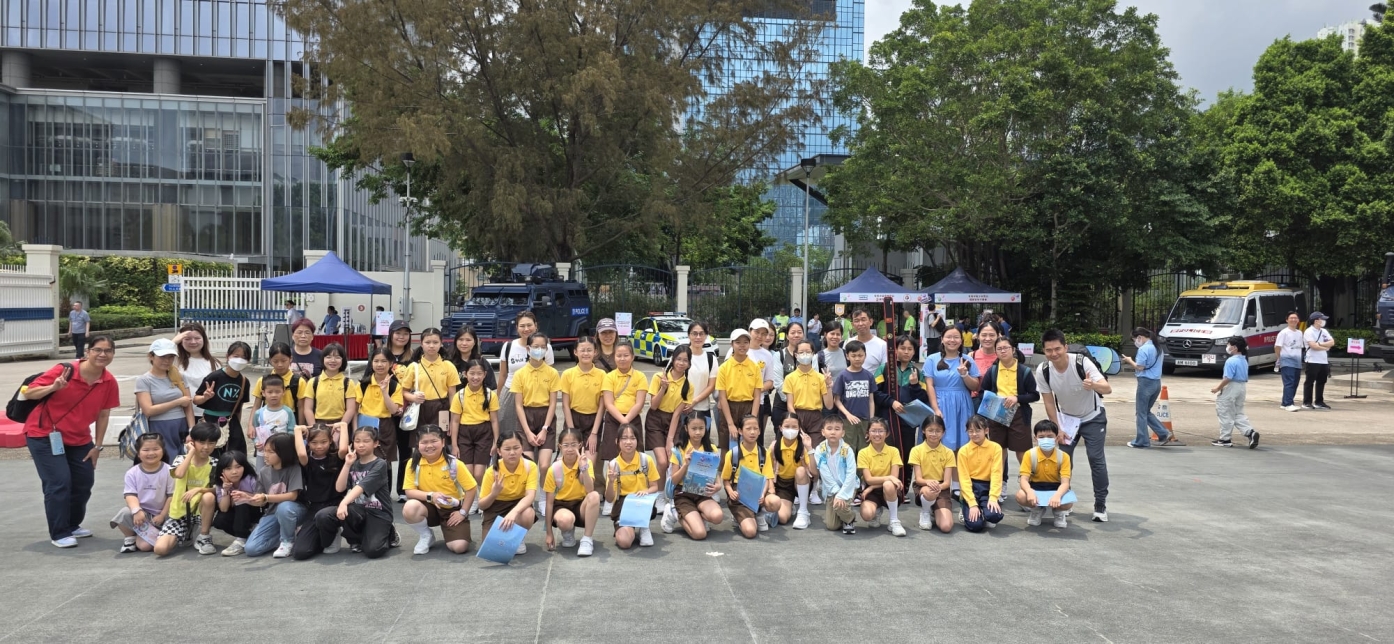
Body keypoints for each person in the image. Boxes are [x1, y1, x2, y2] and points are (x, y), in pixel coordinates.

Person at [23, 334, 121, 548]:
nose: (102, 354)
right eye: (97, 350)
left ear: (113, 354)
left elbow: (103, 414)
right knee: (59, 482)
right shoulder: (65, 370)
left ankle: (72, 524)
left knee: (84, 482)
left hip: (79, 437)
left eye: (108, 351)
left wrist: (97, 446)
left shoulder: (109, 382)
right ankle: (59, 532)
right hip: (44, 434)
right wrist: (53, 387)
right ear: (87, 352)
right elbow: (29, 393)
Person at [1035, 329, 1112, 523]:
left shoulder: (1081, 362)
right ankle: (1065, 501)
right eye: (1049, 350)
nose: (1054, 353)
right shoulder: (1043, 370)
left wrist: (1093, 385)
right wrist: (1057, 428)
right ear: (1044, 351)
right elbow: (1049, 401)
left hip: (1093, 417)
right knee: (1062, 461)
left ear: (1065, 347)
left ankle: (1100, 505)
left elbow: (1107, 388)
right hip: (1067, 421)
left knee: (1095, 458)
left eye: (1058, 349)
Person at [308, 426, 396, 559]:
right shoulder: (354, 464)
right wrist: (347, 464)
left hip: (378, 513)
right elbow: (339, 488)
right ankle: (356, 540)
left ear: (376, 443)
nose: (361, 445)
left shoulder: (380, 464)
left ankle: (390, 533)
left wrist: (343, 503)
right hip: (359, 509)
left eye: (366, 441)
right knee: (324, 515)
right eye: (357, 441)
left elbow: (361, 487)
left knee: (373, 551)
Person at [401, 424, 477, 555]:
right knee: (410, 507)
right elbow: (409, 491)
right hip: (429, 507)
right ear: (418, 445)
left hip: (451, 510)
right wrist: (431, 496)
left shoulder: (454, 463)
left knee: (459, 547)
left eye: (433, 441)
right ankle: (426, 535)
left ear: (442, 442)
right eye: (424, 442)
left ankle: (453, 531)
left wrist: (463, 512)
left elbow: (471, 488)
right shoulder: (413, 463)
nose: (429, 446)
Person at [978, 336, 1038, 497]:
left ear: (1013, 349)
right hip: (997, 414)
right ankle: (998, 487)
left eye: (1006, 348)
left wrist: (1017, 398)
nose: (1002, 351)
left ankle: (1029, 486)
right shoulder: (993, 370)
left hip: (1019, 414)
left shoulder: (1024, 371)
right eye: (999, 349)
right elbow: (982, 392)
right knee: (998, 451)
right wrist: (994, 400)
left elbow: (1034, 395)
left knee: (1022, 451)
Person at [511, 332, 561, 516]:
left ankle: (544, 498)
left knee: (544, 465)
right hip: (526, 418)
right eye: (535, 347)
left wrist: (545, 429)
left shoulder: (552, 373)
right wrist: (527, 432)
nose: (539, 350)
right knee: (528, 465)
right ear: (528, 349)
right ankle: (529, 498)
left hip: (546, 418)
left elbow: (553, 403)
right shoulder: (520, 374)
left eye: (543, 347)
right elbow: (518, 405)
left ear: (547, 349)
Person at [154, 423, 221, 556]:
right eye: (201, 442)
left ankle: (204, 536)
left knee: (208, 496)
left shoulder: (215, 463)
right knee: (160, 549)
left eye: (211, 443)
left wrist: (199, 490)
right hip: (179, 514)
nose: (206, 447)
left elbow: (218, 490)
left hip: (200, 513)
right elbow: (179, 474)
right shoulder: (181, 459)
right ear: (192, 442)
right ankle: (186, 533)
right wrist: (190, 452)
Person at [289, 422, 351, 559]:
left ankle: (333, 531)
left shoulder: (336, 457)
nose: (319, 446)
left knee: (325, 523)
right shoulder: (307, 460)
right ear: (308, 442)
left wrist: (343, 426)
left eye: (324, 442)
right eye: (314, 442)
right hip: (315, 507)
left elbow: (343, 449)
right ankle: (321, 537)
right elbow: (301, 453)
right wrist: (298, 430)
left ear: (330, 440)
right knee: (300, 552)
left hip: (335, 505)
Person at [597, 343, 647, 507]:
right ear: (614, 357)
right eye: (619, 355)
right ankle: (611, 497)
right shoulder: (609, 377)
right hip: (613, 420)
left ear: (632, 357)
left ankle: (636, 492)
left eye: (626, 355)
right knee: (612, 459)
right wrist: (623, 421)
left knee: (635, 457)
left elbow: (639, 402)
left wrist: (627, 421)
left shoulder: (640, 376)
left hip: (633, 419)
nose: (622, 358)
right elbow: (608, 403)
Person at [450, 359, 501, 513]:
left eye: (479, 374)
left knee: (479, 473)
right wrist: (454, 445)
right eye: (472, 373)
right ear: (465, 374)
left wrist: (496, 442)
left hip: (484, 433)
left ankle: (482, 498)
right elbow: (455, 421)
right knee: (467, 471)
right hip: (465, 434)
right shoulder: (459, 395)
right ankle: (471, 500)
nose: (475, 377)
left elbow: (494, 420)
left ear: (485, 375)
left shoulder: (490, 395)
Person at [661, 414, 724, 540]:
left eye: (701, 428)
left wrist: (718, 486)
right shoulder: (678, 449)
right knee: (700, 534)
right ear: (686, 428)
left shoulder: (711, 449)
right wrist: (685, 465)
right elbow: (673, 480)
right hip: (683, 493)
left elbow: (715, 474)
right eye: (694, 428)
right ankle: (674, 513)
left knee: (718, 517)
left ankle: (698, 516)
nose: (698, 432)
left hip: (702, 492)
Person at [242, 433, 305, 558]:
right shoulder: (264, 471)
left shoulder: (294, 468)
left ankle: (287, 541)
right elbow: (260, 501)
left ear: (284, 453)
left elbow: (292, 496)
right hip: (272, 513)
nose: (266, 455)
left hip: (294, 511)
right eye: (265, 450)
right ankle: (288, 536)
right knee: (251, 549)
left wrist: (266, 497)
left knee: (284, 507)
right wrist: (247, 498)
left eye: (271, 452)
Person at [646, 346, 693, 510]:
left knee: (672, 459)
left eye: (685, 360)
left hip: (673, 422)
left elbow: (677, 414)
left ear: (689, 363)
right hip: (655, 420)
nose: (681, 363)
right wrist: (663, 388)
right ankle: (659, 495)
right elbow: (653, 405)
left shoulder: (688, 386)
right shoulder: (659, 377)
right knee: (662, 461)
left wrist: (670, 439)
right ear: (672, 359)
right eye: (678, 359)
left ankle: (669, 491)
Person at [876, 335, 932, 473]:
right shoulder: (885, 368)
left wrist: (914, 385)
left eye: (910, 349)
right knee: (885, 451)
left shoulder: (917, 372)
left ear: (914, 351)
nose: (906, 352)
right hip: (887, 418)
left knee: (906, 452)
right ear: (895, 349)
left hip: (908, 421)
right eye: (902, 348)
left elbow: (923, 398)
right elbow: (875, 393)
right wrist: (891, 402)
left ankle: (904, 484)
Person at [401, 327, 461, 453]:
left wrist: (453, 418)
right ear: (421, 344)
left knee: (440, 444)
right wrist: (413, 397)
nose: (431, 346)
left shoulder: (448, 366)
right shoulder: (414, 367)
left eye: (435, 342)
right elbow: (404, 391)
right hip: (420, 409)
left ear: (441, 344)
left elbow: (452, 395)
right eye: (427, 342)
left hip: (442, 408)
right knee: (421, 445)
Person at [110, 434, 173, 553]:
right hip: (141, 515)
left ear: (163, 451)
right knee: (124, 513)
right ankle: (130, 538)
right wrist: (136, 511)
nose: (151, 453)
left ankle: (155, 534)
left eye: (155, 449)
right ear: (138, 453)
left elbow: (171, 496)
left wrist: (162, 515)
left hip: (163, 515)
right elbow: (130, 495)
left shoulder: (169, 471)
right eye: (146, 450)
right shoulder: (132, 473)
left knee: (145, 546)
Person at [135, 338, 195, 464]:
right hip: (159, 426)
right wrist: (177, 402)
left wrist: (192, 430)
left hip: (181, 425)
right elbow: (148, 410)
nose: (167, 361)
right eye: (162, 357)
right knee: (165, 461)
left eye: (170, 357)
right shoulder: (144, 380)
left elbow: (188, 405)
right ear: (151, 356)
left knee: (184, 461)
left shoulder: (179, 376)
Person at [477, 429, 538, 552]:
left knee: (528, 513)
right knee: (490, 548)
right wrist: (494, 493)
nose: (512, 452)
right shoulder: (491, 472)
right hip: (496, 506)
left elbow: (530, 496)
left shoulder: (530, 466)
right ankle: (506, 537)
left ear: (522, 448)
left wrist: (513, 513)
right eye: (507, 449)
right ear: (499, 451)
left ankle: (518, 538)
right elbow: (482, 505)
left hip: (518, 505)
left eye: (516, 448)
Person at [543, 427, 601, 555]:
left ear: (580, 445)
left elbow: (590, 489)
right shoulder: (554, 469)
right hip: (561, 505)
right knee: (565, 520)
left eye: (573, 445)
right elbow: (549, 503)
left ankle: (587, 539)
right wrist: (549, 533)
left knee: (594, 496)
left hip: (580, 504)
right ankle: (567, 532)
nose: (570, 449)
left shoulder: (586, 463)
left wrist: (583, 468)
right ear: (560, 446)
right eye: (566, 445)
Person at [922, 327, 980, 451]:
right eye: (948, 337)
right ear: (942, 339)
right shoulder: (932, 359)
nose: (952, 340)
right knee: (939, 441)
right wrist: (935, 409)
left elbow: (975, 386)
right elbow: (929, 385)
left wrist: (964, 374)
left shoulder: (967, 360)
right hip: (940, 403)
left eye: (956, 337)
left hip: (962, 405)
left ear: (961, 340)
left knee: (963, 443)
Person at [357, 347, 404, 497]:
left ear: (390, 363)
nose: (380, 364)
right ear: (371, 363)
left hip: (385, 427)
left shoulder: (395, 386)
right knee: (365, 460)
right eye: (376, 361)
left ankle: (384, 496)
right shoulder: (363, 384)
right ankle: (365, 495)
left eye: (384, 361)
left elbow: (393, 410)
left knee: (385, 462)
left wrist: (384, 390)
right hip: (365, 426)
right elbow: (355, 408)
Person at [603, 423, 660, 549]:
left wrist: (646, 491)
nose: (628, 442)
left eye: (632, 438)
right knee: (624, 542)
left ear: (637, 441)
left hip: (641, 501)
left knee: (645, 540)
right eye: (624, 438)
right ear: (617, 441)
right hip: (623, 504)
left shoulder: (646, 460)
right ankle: (631, 526)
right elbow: (609, 498)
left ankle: (644, 525)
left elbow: (655, 487)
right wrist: (611, 481)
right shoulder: (613, 464)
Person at [193, 341, 252, 456]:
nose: (239, 360)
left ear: (248, 360)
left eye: (244, 357)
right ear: (227, 356)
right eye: (236, 356)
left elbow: (239, 407)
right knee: (211, 453)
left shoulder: (244, 381)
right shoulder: (215, 377)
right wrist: (205, 397)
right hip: (210, 420)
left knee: (235, 454)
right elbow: (195, 399)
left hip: (231, 421)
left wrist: (236, 426)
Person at [722, 415, 775, 539]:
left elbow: (767, 477)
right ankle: (740, 517)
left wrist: (763, 494)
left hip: (758, 491)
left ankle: (759, 513)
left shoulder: (764, 453)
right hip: (740, 495)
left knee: (775, 502)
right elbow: (726, 480)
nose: (752, 432)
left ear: (760, 431)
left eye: (755, 428)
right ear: (740, 431)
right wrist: (730, 492)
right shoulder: (732, 454)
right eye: (748, 428)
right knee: (750, 532)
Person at [499, 311, 553, 431]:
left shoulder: (547, 348)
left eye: (529, 325)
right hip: (511, 393)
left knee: (532, 433)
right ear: (517, 328)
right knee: (508, 431)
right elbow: (503, 375)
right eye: (522, 326)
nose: (526, 329)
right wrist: (498, 398)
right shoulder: (508, 346)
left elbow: (549, 375)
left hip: (536, 395)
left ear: (536, 326)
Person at [1016, 420, 1074, 529]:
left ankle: (1058, 512)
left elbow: (1065, 483)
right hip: (1036, 487)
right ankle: (1037, 509)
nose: (1045, 439)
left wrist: (1058, 495)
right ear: (1035, 438)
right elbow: (1023, 479)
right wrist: (1029, 491)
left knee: (1068, 501)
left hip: (1056, 487)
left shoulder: (1064, 456)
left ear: (1056, 438)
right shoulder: (1029, 454)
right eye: (1041, 437)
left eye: (1050, 436)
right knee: (1021, 496)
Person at [716, 329, 767, 453]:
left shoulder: (754, 367)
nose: (742, 345)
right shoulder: (724, 367)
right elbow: (722, 397)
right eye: (738, 342)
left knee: (748, 447)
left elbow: (757, 396)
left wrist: (753, 419)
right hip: (729, 408)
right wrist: (730, 424)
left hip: (749, 408)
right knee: (726, 450)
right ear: (731, 344)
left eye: (745, 342)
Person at [1122, 327, 1174, 448]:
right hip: (1156, 383)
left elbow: (1140, 367)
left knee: (1141, 413)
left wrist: (1129, 360)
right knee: (1146, 412)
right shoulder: (1157, 348)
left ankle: (1142, 441)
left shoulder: (1144, 349)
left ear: (1140, 337)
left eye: (1135, 339)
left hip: (1145, 383)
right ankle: (1164, 433)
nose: (1135, 342)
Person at [856, 418, 906, 536]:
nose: (877, 434)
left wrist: (872, 487)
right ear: (868, 433)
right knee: (867, 515)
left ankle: (894, 521)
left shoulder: (893, 451)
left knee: (888, 484)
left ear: (887, 433)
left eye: (881, 431)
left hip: (890, 489)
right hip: (872, 491)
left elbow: (894, 478)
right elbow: (868, 479)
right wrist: (872, 487)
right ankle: (877, 511)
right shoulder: (863, 453)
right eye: (873, 431)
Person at [908, 414, 955, 533]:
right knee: (930, 492)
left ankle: (934, 508)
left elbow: (947, 483)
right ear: (923, 430)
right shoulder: (916, 450)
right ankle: (925, 511)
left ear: (943, 432)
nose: (934, 434)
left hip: (941, 487)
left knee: (946, 526)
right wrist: (929, 483)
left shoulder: (948, 452)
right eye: (930, 430)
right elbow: (918, 479)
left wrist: (937, 487)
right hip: (923, 486)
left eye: (938, 431)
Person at [1211, 337, 1261, 449]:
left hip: (1231, 387)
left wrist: (1217, 388)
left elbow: (1228, 378)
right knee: (1238, 413)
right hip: (1242, 387)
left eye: (1228, 344)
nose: (1227, 347)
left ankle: (1225, 439)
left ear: (1234, 347)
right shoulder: (1244, 360)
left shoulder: (1231, 361)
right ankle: (1250, 432)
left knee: (1225, 412)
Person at [956, 415, 1003, 533]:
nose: (974, 434)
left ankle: (985, 512)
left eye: (978, 430)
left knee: (994, 516)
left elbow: (996, 474)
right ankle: (966, 507)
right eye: (970, 431)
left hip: (987, 486)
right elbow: (964, 478)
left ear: (986, 430)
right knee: (975, 526)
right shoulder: (963, 451)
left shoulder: (995, 448)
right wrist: (972, 504)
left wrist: (993, 497)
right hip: (971, 487)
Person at [208, 450, 259, 556]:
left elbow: (262, 501)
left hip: (255, 512)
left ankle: (241, 539)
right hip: (237, 515)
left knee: (239, 498)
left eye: (238, 467)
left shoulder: (251, 479)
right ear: (222, 470)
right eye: (228, 468)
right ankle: (249, 536)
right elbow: (224, 508)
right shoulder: (221, 484)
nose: (234, 472)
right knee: (220, 520)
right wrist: (226, 491)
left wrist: (245, 496)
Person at [812, 416, 858, 534]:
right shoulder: (820, 449)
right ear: (823, 432)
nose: (833, 432)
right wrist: (836, 492)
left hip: (848, 486)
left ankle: (848, 520)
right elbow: (825, 474)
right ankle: (847, 515)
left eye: (837, 429)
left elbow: (851, 474)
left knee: (838, 505)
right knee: (832, 526)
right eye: (829, 429)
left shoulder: (847, 450)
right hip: (831, 488)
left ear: (843, 433)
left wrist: (841, 494)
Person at [298, 343, 360, 429]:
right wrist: (314, 428)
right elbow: (308, 409)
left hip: (341, 423)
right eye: (328, 357)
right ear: (322, 359)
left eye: (337, 357)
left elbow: (350, 409)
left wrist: (340, 427)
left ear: (343, 360)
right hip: (318, 424)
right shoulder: (313, 382)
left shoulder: (348, 383)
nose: (333, 360)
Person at [832, 340, 877, 456]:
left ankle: (862, 469)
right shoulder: (843, 376)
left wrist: (871, 421)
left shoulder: (868, 375)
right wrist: (848, 414)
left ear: (865, 356)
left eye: (860, 355)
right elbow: (837, 400)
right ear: (847, 356)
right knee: (848, 450)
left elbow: (871, 400)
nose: (857, 358)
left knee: (864, 450)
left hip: (865, 420)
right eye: (854, 355)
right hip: (847, 420)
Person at [784, 340, 832, 446]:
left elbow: (829, 405)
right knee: (797, 449)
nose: (805, 355)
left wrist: (828, 385)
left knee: (815, 448)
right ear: (796, 355)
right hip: (797, 414)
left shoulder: (821, 377)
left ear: (813, 354)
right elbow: (789, 405)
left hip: (816, 417)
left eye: (808, 352)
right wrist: (795, 421)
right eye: (801, 352)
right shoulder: (790, 378)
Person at [769, 415, 814, 529]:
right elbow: (767, 471)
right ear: (780, 428)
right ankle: (788, 506)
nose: (790, 430)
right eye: (787, 426)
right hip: (782, 485)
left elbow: (814, 472)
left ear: (799, 429)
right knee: (782, 518)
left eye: (794, 427)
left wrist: (809, 448)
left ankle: (803, 512)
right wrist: (771, 488)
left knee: (801, 471)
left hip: (798, 482)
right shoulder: (774, 447)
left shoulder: (803, 447)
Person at [250, 343, 304, 431]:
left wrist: (300, 427)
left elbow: (301, 407)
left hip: (289, 422)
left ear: (290, 359)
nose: (280, 364)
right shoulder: (262, 381)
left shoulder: (298, 381)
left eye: (283, 361)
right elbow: (256, 406)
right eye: (275, 361)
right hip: (267, 421)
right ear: (270, 360)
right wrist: (251, 426)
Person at [746, 319, 780, 440]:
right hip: (737, 401)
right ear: (750, 331)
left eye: (763, 334)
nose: (760, 336)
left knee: (755, 439)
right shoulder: (736, 350)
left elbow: (770, 381)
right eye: (757, 332)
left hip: (758, 402)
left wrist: (757, 390)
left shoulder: (767, 355)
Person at [175, 323, 218, 417]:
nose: (193, 342)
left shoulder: (214, 363)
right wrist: (173, 342)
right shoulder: (173, 361)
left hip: (205, 414)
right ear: (180, 340)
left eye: (197, 338)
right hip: (179, 414)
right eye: (187, 339)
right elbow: (156, 355)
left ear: (204, 339)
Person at [248, 375, 295, 456]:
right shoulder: (259, 413)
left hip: (282, 451)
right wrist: (256, 442)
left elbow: (292, 431)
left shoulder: (288, 412)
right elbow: (255, 432)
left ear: (283, 391)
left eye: (277, 392)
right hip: (263, 452)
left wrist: (287, 443)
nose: (274, 395)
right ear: (263, 393)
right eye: (270, 392)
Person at [685, 322, 720, 421]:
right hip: (682, 408)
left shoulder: (711, 359)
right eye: (694, 333)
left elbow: (711, 386)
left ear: (706, 336)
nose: (698, 337)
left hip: (703, 409)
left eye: (701, 334)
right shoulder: (680, 355)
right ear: (689, 335)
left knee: (704, 431)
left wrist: (694, 401)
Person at [448, 325, 498, 391]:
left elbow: (490, 387)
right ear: (456, 341)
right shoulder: (448, 362)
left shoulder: (481, 362)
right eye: (461, 339)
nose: (464, 343)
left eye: (468, 340)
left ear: (474, 342)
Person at [1274, 311, 1305, 412]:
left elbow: (1300, 347)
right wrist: (1280, 358)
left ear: (1298, 320)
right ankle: (1289, 403)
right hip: (1287, 360)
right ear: (1287, 320)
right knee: (1289, 382)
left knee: (1295, 382)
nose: (1293, 320)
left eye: (1295, 318)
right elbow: (1277, 347)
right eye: (1291, 318)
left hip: (1297, 361)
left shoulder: (1299, 333)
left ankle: (1285, 403)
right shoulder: (1283, 332)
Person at [1302, 312, 1334, 410]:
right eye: (1322, 319)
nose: (1323, 321)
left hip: (1323, 360)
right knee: (1310, 381)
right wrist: (1325, 347)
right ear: (1316, 321)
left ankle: (1319, 402)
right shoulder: (1309, 331)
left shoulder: (1324, 331)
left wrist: (1320, 344)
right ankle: (1307, 402)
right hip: (1312, 360)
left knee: (1321, 381)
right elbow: (1313, 346)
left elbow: (1332, 342)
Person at [851, 309, 888, 375]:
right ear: (852, 324)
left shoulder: (882, 345)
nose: (860, 324)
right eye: (856, 321)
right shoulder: (848, 343)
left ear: (871, 322)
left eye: (863, 320)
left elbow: (885, 371)